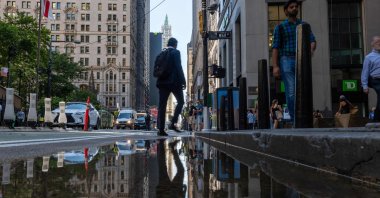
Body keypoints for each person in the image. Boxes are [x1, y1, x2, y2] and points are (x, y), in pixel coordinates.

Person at [272, 0, 316, 122]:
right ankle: (295, 119)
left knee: (304, 89)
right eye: (291, 7)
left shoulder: (304, 25)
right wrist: (275, 66)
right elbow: (275, 47)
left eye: (296, 6)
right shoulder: (280, 27)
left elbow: (312, 40)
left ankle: (303, 118)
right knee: (291, 91)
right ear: (286, 11)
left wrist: (310, 50)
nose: (294, 8)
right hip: (286, 59)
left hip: (302, 60)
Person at [156, 38, 186, 136]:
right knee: (181, 101)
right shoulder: (176, 52)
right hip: (174, 82)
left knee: (162, 106)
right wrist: (183, 81)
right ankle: (173, 123)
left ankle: (161, 129)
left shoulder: (161, 54)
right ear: (175, 45)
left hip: (162, 82)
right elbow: (178, 67)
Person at [361, 36, 380, 122]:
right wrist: (364, 86)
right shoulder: (369, 57)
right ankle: (376, 119)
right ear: (372, 44)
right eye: (377, 42)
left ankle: (376, 119)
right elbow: (365, 72)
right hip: (375, 80)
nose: (379, 43)